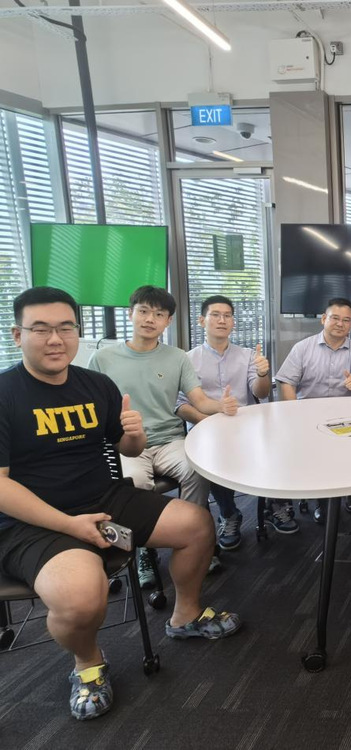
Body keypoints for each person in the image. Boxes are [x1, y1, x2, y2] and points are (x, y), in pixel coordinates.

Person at [0, 287, 241, 722]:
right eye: (41, 329)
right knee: (81, 598)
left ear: (77, 332)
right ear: (18, 335)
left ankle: (185, 615)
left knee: (196, 525)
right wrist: (70, 525)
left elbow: (128, 447)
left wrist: (134, 434)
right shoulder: (5, 393)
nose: (55, 339)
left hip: (106, 498)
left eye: (65, 328)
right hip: (35, 520)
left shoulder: (95, 384)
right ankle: (88, 664)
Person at [89, 286, 238, 585]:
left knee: (197, 470)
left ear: (168, 321)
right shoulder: (103, 358)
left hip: (170, 440)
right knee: (134, 483)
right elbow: (90, 406)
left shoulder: (177, 357)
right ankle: (145, 549)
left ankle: (195, 540)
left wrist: (221, 406)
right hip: (126, 444)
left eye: (159, 314)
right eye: (143, 311)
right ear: (130, 314)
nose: (150, 319)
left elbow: (198, 400)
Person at [176, 295, 287, 549]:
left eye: (227, 315)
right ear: (202, 320)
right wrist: (207, 421)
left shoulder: (247, 355)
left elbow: (260, 392)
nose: (222, 320)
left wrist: (263, 373)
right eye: (215, 315)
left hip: (244, 426)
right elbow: (180, 405)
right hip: (205, 428)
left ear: (233, 322)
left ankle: (275, 504)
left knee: (279, 443)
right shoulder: (187, 360)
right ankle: (229, 513)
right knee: (213, 458)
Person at [275, 297, 351, 519]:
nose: (340, 324)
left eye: (346, 320)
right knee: (318, 460)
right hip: (309, 416)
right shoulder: (302, 348)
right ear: (323, 319)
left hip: (346, 418)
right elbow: (287, 381)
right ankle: (322, 501)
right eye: (335, 318)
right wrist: (293, 413)